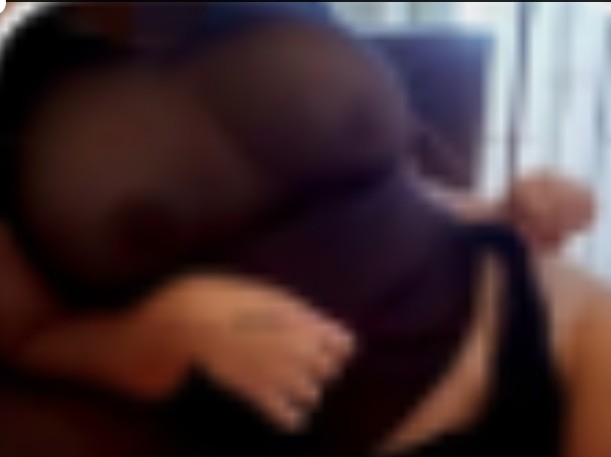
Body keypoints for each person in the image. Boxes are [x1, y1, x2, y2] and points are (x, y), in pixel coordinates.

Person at [0, 4, 602, 457]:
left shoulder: (292, 10)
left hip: (526, 324)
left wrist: (500, 209)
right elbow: (19, 335)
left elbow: (396, 187)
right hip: (301, 421)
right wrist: (149, 338)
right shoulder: (26, 83)